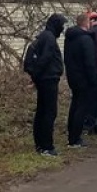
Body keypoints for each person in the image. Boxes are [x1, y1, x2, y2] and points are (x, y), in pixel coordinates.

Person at [28, 14, 67, 157]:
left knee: (42, 112)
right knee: (49, 113)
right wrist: (36, 75)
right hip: (48, 79)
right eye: (61, 25)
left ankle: (40, 144)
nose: (62, 29)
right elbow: (45, 59)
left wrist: (35, 76)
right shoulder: (49, 38)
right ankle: (46, 146)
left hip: (44, 79)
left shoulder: (44, 36)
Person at [63, 13, 97, 148]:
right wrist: (93, 78)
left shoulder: (70, 38)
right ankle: (75, 138)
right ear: (86, 23)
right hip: (84, 78)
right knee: (81, 108)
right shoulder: (86, 39)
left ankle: (71, 134)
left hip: (73, 76)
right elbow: (90, 62)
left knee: (75, 105)